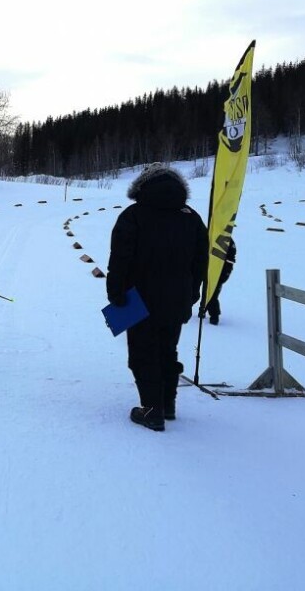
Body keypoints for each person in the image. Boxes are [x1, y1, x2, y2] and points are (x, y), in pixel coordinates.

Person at [106, 164, 208, 431]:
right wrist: (192, 292)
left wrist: (115, 293)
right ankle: (167, 403)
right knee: (167, 349)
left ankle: (152, 410)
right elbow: (201, 262)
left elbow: (120, 259)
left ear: (142, 187)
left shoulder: (133, 215)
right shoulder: (191, 217)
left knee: (142, 354)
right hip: (178, 299)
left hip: (138, 298)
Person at [203, 236, 236, 325]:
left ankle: (214, 316)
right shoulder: (212, 235)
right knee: (207, 290)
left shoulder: (226, 239)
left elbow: (230, 258)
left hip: (221, 271)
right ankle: (204, 309)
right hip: (210, 268)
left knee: (213, 293)